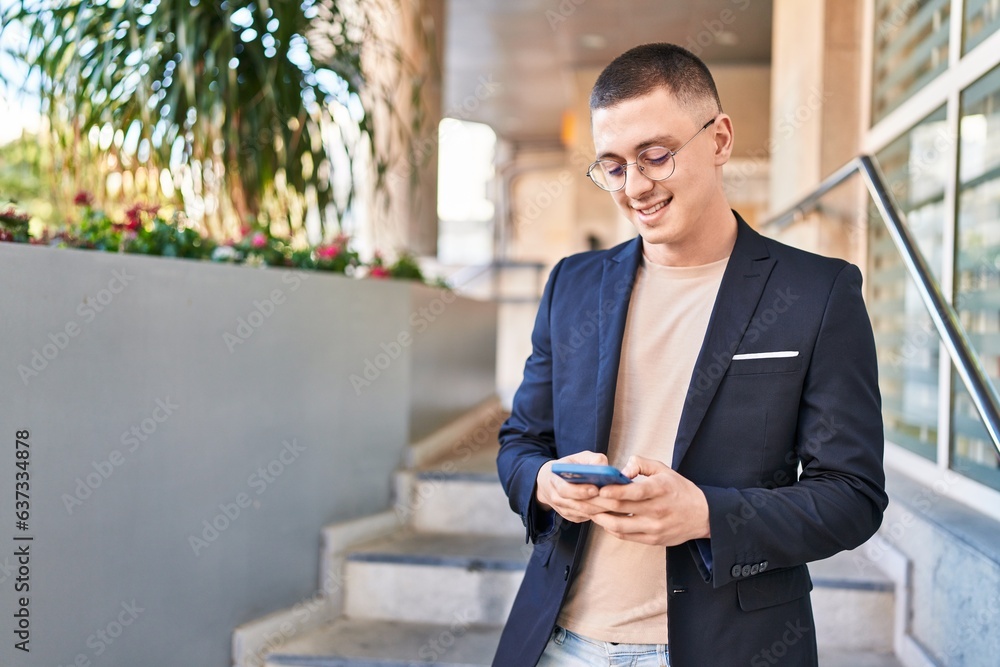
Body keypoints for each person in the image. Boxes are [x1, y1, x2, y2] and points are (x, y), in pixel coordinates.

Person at [493, 43, 887, 667]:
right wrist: (544, 484)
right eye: (613, 167)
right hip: (557, 641)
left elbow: (853, 495)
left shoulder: (817, 293)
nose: (635, 187)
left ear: (721, 138)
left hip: (728, 647)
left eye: (656, 156)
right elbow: (520, 441)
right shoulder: (572, 285)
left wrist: (707, 514)